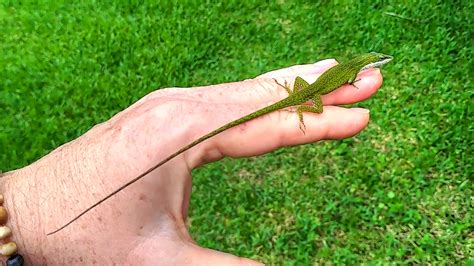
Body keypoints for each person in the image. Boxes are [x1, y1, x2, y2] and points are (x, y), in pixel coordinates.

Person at [0, 58, 383, 264]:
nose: (375, 64)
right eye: (374, 63)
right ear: (363, 66)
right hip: (308, 96)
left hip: (304, 91)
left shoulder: (348, 68)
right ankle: (300, 108)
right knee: (307, 105)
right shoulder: (349, 75)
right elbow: (345, 80)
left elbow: (344, 73)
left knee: (298, 97)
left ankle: (296, 103)